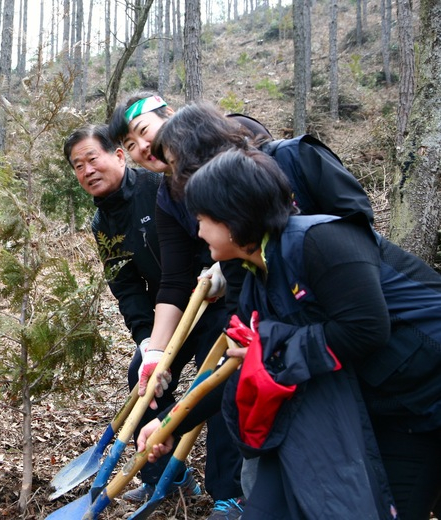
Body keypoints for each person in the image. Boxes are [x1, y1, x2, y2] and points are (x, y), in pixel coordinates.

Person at [144, 148, 441, 520]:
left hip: (430, 385)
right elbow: (244, 366)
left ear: (233, 219)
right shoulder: (257, 280)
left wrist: (271, 345)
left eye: (202, 219)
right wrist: (172, 421)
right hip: (394, 412)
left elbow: (367, 328)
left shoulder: (320, 241)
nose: (198, 231)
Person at [108, 95, 244, 514]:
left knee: (221, 375)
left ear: (171, 118)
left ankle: (230, 494)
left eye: (143, 133)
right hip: (194, 297)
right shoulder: (168, 194)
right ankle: (167, 475)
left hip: (242, 295)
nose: (140, 148)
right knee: (144, 372)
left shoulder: (234, 143)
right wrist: (155, 352)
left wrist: (231, 259)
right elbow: (173, 278)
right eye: (129, 144)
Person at [62, 125, 202, 502]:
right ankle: (166, 477)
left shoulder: (158, 188)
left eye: (93, 158)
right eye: (78, 165)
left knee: (215, 385)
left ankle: (231, 491)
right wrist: (146, 341)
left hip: (210, 301)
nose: (87, 170)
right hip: (167, 314)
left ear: (119, 156)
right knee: (144, 381)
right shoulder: (102, 222)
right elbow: (126, 287)